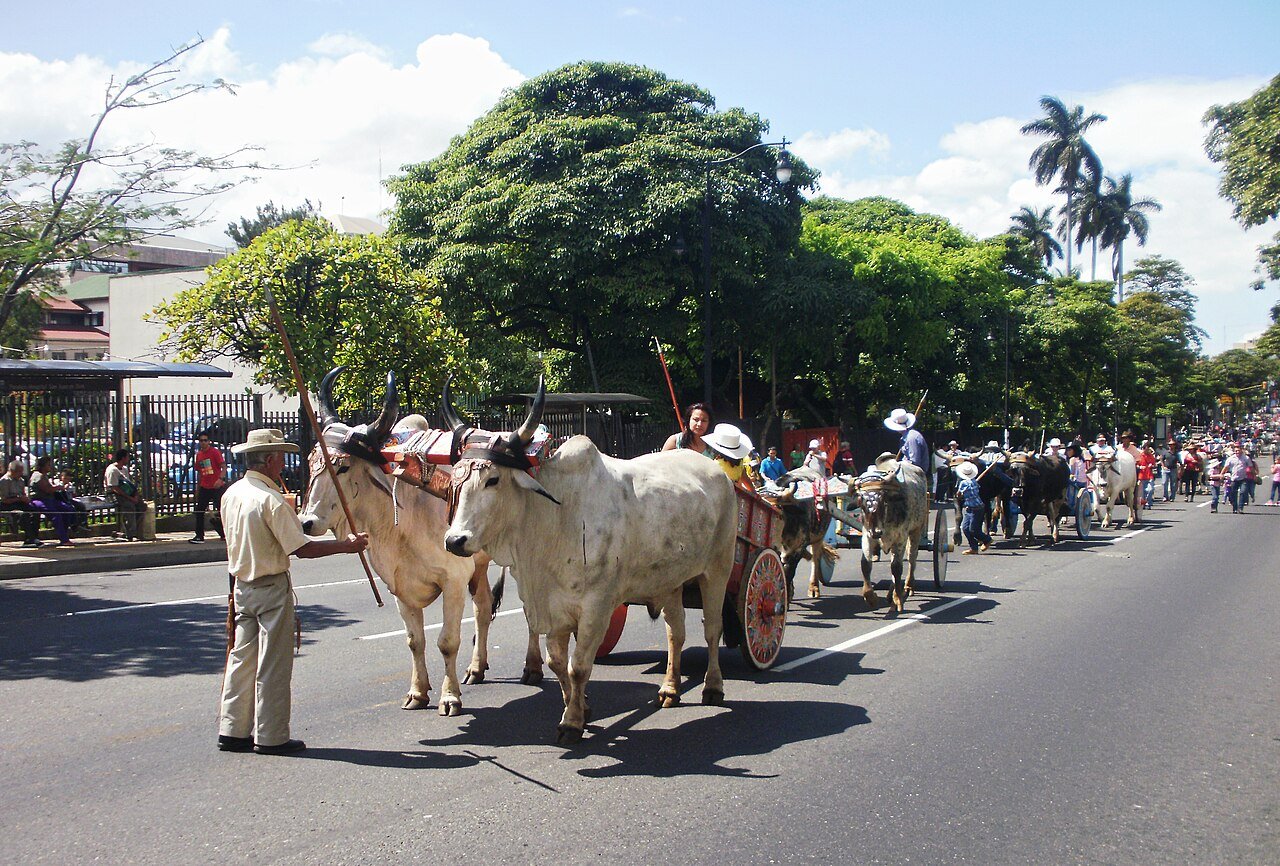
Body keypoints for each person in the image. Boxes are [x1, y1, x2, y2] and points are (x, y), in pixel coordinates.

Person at [217, 428, 369, 756]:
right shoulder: (270, 500)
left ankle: (232, 730)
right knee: (272, 663)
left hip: (242, 587)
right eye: (281, 457)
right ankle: (271, 736)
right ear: (270, 459)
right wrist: (346, 546)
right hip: (270, 588)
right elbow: (302, 549)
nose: (283, 464)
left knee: (241, 659)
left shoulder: (232, 493)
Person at [884, 406, 930, 548]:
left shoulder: (911, 438)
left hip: (914, 473)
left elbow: (913, 462)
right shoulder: (906, 437)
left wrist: (897, 465)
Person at [27, 455, 73, 547]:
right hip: (40, 500)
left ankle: (68, 529)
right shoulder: (38, 476)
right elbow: (47, 489)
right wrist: (58, 487)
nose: (50, 467)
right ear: (42, 466)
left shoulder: (44, 475)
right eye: (48, 465)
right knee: (56, 514)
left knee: (67, 509)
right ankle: (63, 539)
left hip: (49, 499)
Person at [192, 433, 228, 544]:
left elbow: (223, 467)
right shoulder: (199, 455)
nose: (203, 442)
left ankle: (226, 534)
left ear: (209, 441)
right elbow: (200, 473)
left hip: (216, 486)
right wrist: (198, 488)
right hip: (205, 486)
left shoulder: (214, 452)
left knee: (222, 511)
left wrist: (220, 479)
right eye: (201, 440)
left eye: (205, 440)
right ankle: (199, 536)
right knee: (199, 510)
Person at [104, 448, 147, 541]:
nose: (129, 459)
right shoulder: (112, 470)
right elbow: (115, 488)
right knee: (129, 506)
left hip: (126, 492)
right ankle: (131, 534)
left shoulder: (124, 469)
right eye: (127, 457)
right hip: (114, 494)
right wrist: (130, 498)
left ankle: (133, 531)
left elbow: (128, 484)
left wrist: (135, 495)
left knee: (142, 506)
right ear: (123, 458)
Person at [1, 459, 43, 547]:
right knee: (22, 514)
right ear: (12, 471)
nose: (21, 474)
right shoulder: (4, 481)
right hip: (8, 504)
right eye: (19, 472)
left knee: (35, 512)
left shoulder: (21, 480)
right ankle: (30, 538)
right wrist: (18, 498)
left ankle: (34, 537)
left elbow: (23, 494)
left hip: (20, 502)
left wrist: (25, 498)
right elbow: (4, 499)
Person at [704, 424, 755, 491]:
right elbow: (744, 478)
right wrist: (754, 492)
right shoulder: (737, 463)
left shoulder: (717, 464)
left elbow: (744, 477)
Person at [955, 461, 992, 555]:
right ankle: (973, 547)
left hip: (977, 508)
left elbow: (959, 495)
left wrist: (959, 494)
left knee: (973, 530)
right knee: (965, 528)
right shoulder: (974, 481)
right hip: (970, 508)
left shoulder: (963, 483)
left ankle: (987, 540)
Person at [1221, 443, 1251, 514]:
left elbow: (1251, 467)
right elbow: (1226, 467)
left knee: (1243, 492)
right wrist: (1221, 474)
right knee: (1233, 493)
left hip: (1243, 478)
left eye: (1239, 450)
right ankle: (1235, 508)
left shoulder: (1246, 458)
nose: (1237, 452)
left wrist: (1255, 475)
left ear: (1241, 450)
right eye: (1236, 450)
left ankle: (1240, 508)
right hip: (1234, 479)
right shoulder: (1230, 458)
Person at [1136, 443, 1156, 508]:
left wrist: (1152, 465)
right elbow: (1136, 465)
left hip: (1149, 476)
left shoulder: (1151, 456)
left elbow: (1155, 465)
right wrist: (1140, 467)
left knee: (1150, 490)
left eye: (1148, 449)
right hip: (1141, 476)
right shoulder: (1140, 456)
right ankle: (1144, 504)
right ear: (1143, 449)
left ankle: (1148, 502)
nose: (1147, 451)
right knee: (1143, 492)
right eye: (1146, 449)